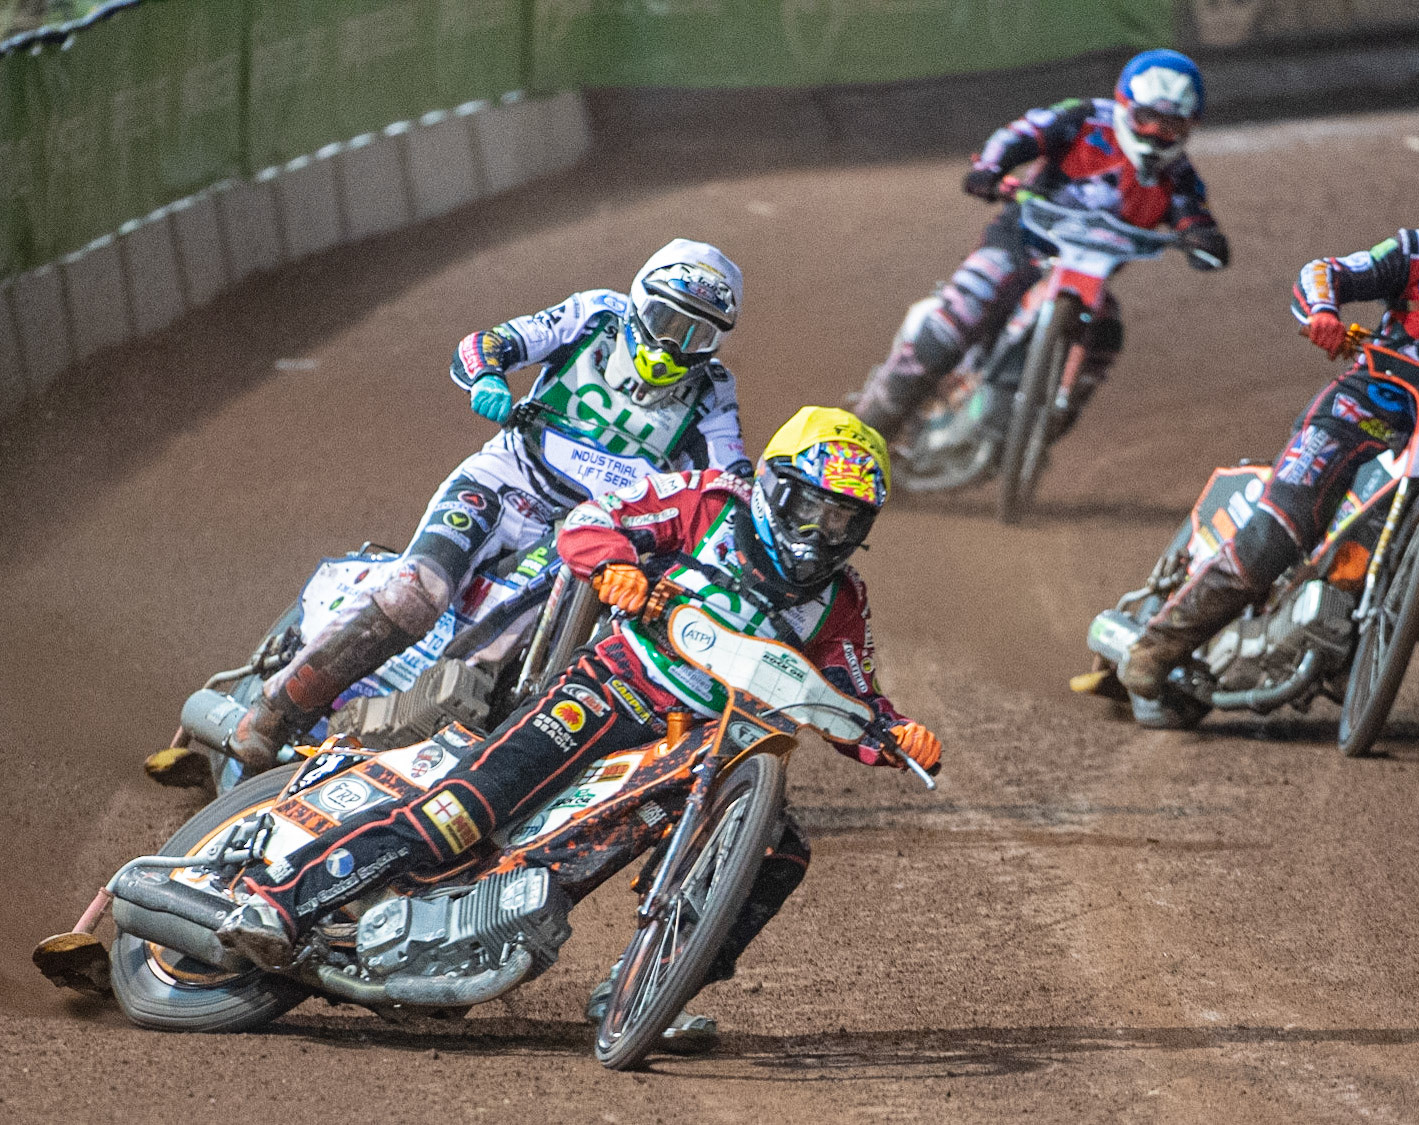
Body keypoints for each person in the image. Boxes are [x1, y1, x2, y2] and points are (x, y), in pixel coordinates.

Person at [217, 407, 944, 1051]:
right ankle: (283, 897)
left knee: (780, 850)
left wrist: (898, 732)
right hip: (616, 687)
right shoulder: (710, 503)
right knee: (470, 805)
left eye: (844, 519)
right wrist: (618, 566)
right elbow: (594, 519)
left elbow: (852, 697)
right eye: (811, 507)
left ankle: (649, 988)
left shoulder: (840, 601)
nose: (823, 532)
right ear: (774, 487)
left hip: (712, 741)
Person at [1119, 151, 1419, 725]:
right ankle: (1157, 646)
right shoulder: (1415, 254)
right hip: (1357, 410)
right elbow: (1324, 272)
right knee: (1285, 525)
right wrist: (1324, 312)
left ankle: (1363, 646)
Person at [223, 239, 752, 767]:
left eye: (695, 334)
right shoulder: (595, 316)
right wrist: (488, 377)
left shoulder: (711, 393)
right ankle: (271, 715)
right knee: (416, 592)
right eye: (663, 320)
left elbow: (732, 486)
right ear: (638, 301)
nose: (671, 346)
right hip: (505, 481)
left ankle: (439, 743)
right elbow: (487, 343)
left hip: (587, 529)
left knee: (500, 654)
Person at [848, 48, 1229, 441]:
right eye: (1146, 119)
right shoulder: (1083, 120)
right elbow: (1023, 133)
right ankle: (866, 429)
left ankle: (1044, 430)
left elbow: (1193, 215)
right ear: (1124, 107)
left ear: (1189, 127)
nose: (1154, 134)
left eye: (1170, 126)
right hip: (1021, 242)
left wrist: (1204, 239)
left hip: (1086, 278)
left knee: (1107, 335)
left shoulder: (1179, 176)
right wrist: (989, 169)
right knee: (964, 309)